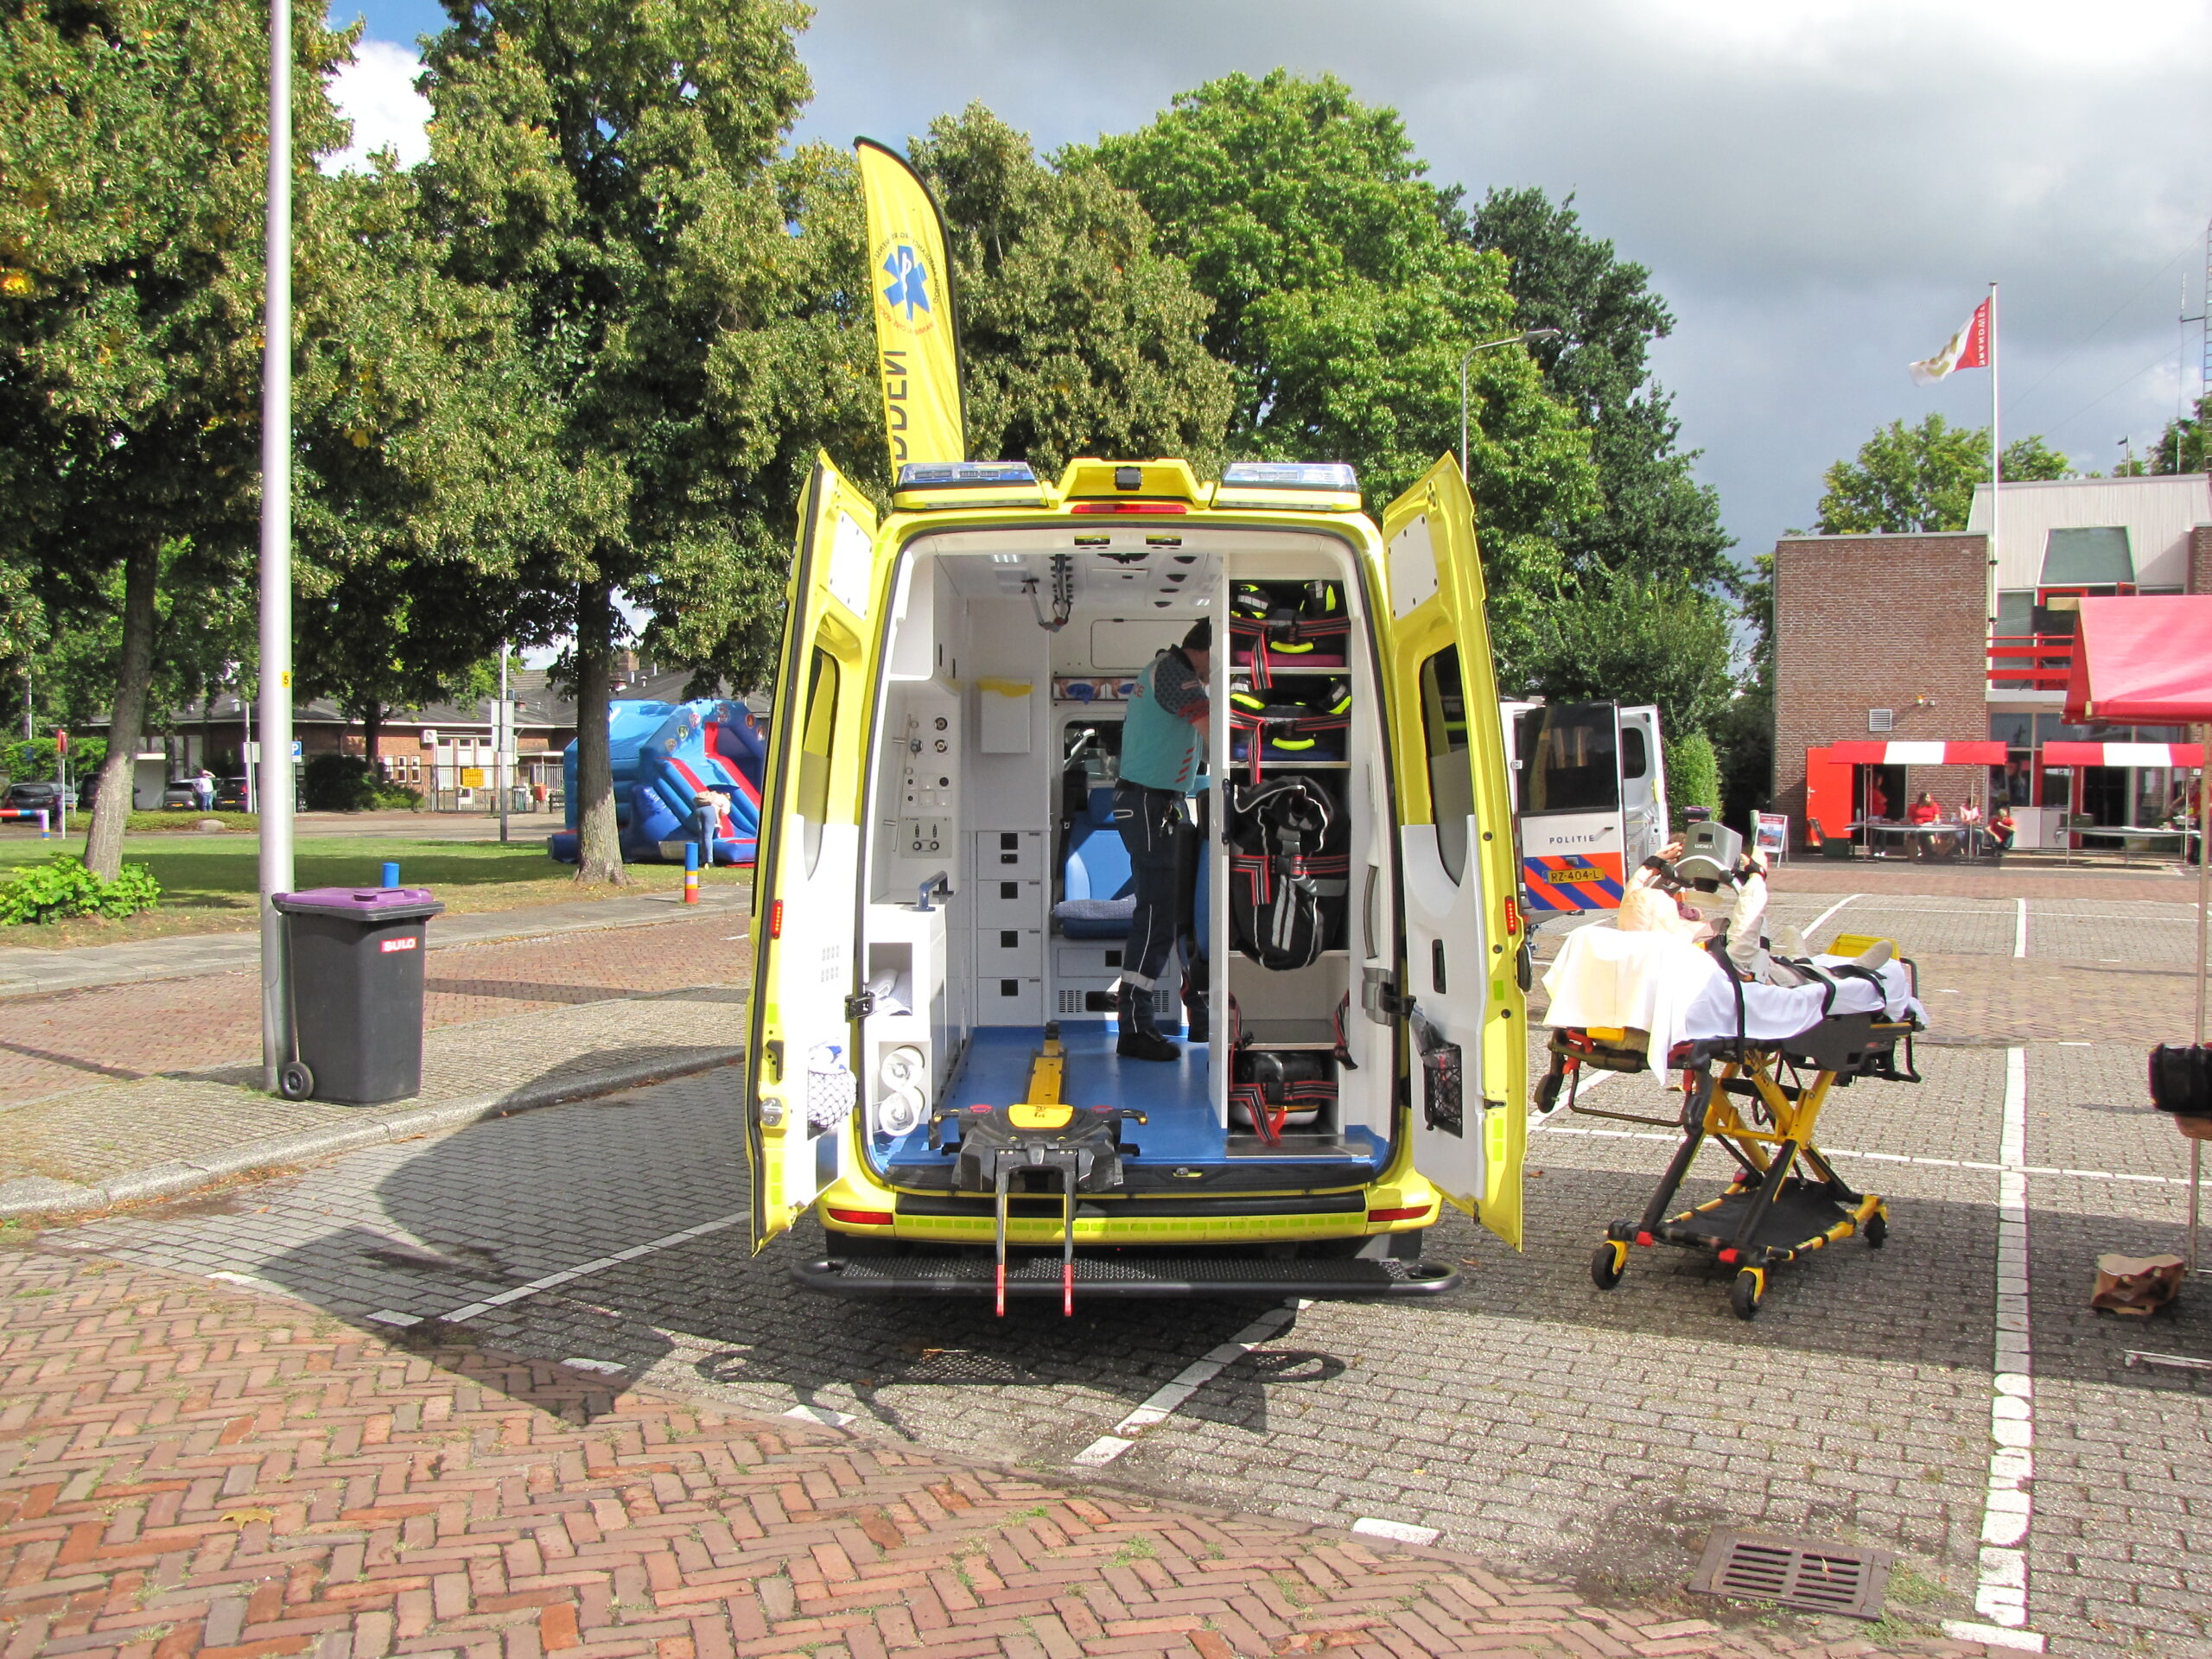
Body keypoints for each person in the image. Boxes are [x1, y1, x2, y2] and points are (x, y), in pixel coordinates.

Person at [1112, 619, 1211, 1060]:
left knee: (1165, 912)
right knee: (1156, 914)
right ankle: (1134, 1028)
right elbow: (1212, 729)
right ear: (1208, 649)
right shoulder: (1173, 673)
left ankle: (1143, 1021)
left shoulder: (1166, 670)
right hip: (1148, 804)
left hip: (1155, 804)